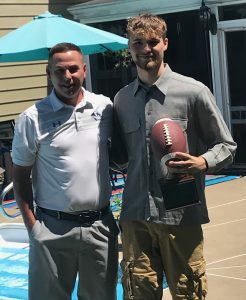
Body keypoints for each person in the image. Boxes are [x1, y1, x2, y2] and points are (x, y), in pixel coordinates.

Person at [111, 14, 237, 300]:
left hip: (180, 215)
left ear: (165, 43)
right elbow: (119, 156)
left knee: (187, 292)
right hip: (135, 217)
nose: (146, 49)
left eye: (153, 42)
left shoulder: (193, 92)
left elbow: (226, 145)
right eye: (138, 43)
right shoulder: (122, 100)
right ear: (129, 49)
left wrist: (202, 162)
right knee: (138, 293)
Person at [12, 42, 119, 300]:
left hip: (99, 227)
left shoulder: (104, 107)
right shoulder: (33, 117)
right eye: (59, 71)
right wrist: (34, 229)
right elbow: (19, 175)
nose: (67, 77)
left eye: (73, 69)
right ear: (48, 74)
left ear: (84, 70)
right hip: (52, 229)